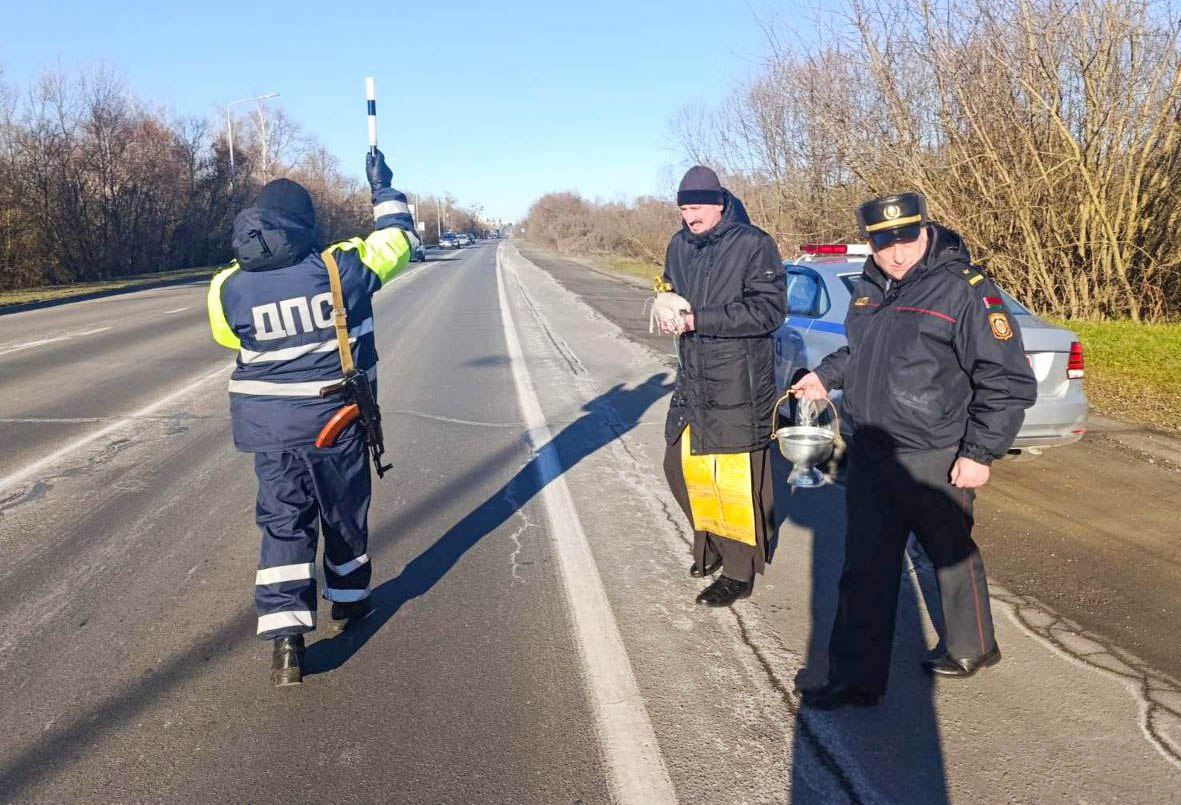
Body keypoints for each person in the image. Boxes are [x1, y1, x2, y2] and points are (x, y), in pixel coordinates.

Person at [791, 192, 1037, 709]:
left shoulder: (965, 291)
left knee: (949, 554)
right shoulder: (868, 289)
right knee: (865, 567)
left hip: (937, 454)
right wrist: (824, 376)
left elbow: (1007, 379)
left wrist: (980, 451)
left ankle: (974, 646)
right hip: (873, 452)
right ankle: (855, 680)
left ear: (924, 231)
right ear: (870, 244)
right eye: (883, 243)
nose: (897, 254)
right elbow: (860, 353)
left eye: (906, 239)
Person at [206, 150, 419, 687]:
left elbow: (228, 336)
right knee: (343, 512)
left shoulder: (226, 285)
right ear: (305, 224)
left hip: (269, 431)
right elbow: (399, 241)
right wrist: (384, 189)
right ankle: (348, 602)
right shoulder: (339, 265)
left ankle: (286, 642)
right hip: (334, 420)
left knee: (283, 521)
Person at [658, 165, 786, 607]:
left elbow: (768, 313)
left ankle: (739, 572)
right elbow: (670, 285)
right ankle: (710, 544)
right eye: (683, 209)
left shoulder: (754, 244)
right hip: (693, 381)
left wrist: (698, 320)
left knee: (735, 485)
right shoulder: (679, 245)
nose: (688, 218)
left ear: (719, 203)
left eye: (695, 208)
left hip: (738, 383)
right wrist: (664, 299)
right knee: (679, 469)